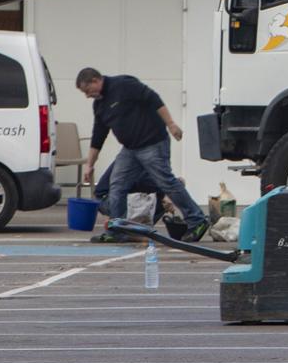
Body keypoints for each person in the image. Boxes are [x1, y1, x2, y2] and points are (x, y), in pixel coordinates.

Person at [78, 67, 209, 243]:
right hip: (130, 149)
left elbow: (153, 99)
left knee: (166, 182)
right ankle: (118, 230)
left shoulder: (123, 85)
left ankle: (197, 220)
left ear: (95, 80)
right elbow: (98, 135)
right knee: (116, 186)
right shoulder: (100, 105)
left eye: (88, 91)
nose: (87, 96)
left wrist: (170, 124)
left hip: (152, 143)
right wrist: (89, 164)